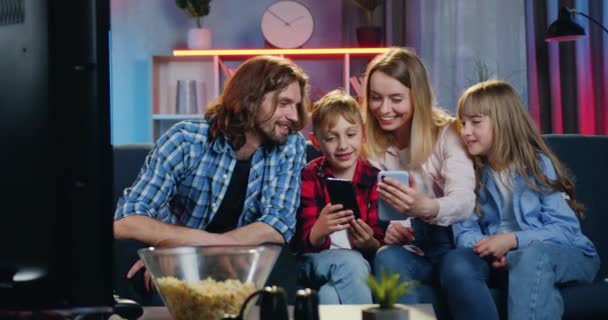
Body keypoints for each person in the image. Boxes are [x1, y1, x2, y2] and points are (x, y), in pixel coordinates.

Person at [113, 55, 310, 289]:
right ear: (252, 98)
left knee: (281, 261)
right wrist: (186, 252)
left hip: (243, 258)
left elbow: (278, 225)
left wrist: (205, 251)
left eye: (296, 106)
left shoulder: (291, 145)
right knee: (128, 260)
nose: (295, 116)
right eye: (284, 103)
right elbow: (126, 220)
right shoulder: (185, 140)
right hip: (186, 252)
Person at [441, 80, 599, 320]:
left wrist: (513, 241)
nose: (465, 132)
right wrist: (493, 248)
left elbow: (565, 230)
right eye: (463, 123)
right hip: (504, 261)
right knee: (463, 259)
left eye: (475, 122)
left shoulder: (537, 166)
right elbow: (464, 231)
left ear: (503, 123)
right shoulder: (470, 172)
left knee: (531, 258)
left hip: (568, 255)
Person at [362, 47, 476, 312]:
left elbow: (464, 200)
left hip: (453, 243)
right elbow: (369, 208)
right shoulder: (372, 145)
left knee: (457, 267)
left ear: (418, 98)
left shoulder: (449, 134)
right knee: (387, 257)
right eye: (376, 98)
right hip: (409, 249)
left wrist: (428, 207)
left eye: (396, 99)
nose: (384, 109)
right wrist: (385, 229)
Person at [296, 89, 385, 304]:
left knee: (329, 295)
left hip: (358, 265)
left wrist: (369, 242)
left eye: (351, 135)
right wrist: (318, 231)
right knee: (350, 262)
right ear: (316, 142)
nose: (343, 145)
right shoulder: (309, 175)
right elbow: (303, 242)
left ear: (363, 135)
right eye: (331, 138)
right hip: (316, 260)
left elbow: (379, 243)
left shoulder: (374, 178)